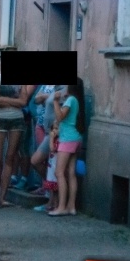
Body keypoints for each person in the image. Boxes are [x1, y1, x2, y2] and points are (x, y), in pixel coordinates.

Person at [0, 74, 30, 209]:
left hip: (17, 120)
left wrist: (4, 99)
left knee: (10, 158)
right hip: (0, 119)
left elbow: (23, 102)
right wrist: (14, 101)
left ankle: (2, 198)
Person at [48, 78, 86, 217]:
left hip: (67, 139)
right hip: (76, 138)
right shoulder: (77, 100)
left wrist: (55, 101)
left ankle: (62, 207)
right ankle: (71, 207)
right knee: (71, 173)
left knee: (59, 172)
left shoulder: (70, 100)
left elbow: (60, 117)